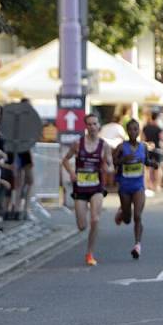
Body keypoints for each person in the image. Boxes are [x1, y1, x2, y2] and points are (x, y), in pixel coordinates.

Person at [62, 114, 113, 266]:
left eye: (94, 124)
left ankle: (90, 253)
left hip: (96, 187)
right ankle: (88, 246)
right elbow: (65, 160)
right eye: (89, 124)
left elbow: (110, 166)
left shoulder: (104, 146)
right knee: (82, 226)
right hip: (81, 187)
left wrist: (107, 168)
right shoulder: (78, 144)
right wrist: (71, 173)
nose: (92, 127)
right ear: (86, 127)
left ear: (99, 126)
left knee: (95, 219)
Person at [113, 120, 155, 259]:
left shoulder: (143, 147)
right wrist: (123, 159)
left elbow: (147, 161)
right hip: (124, 186)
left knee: (137, 216)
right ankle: (122, 213)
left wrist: (153, 164)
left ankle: (137, 245)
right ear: (127, 131)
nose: (133, 132)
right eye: (130, 129)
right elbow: (113, 163)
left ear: (139, 131)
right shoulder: (120, 147)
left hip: (138, 186)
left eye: (136, 129)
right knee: (127, 219)